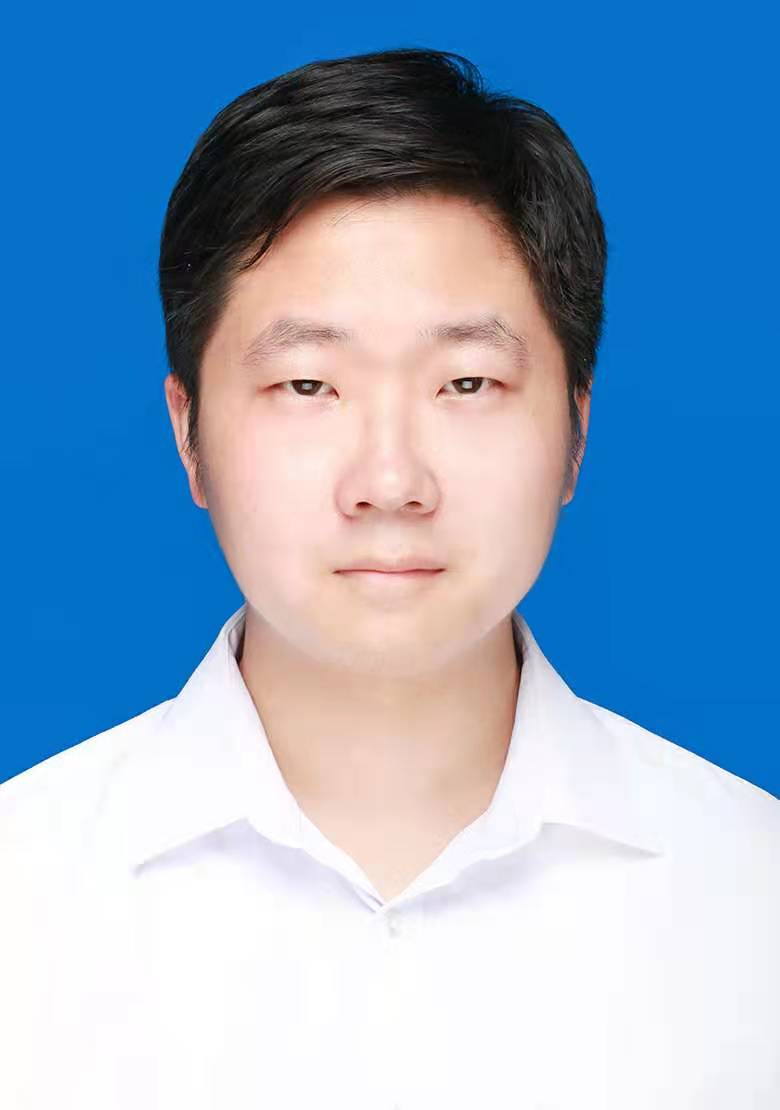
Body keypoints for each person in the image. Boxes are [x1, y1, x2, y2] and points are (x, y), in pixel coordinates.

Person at [1, 46, 777, 1110]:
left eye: (467, 382)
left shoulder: (751, 896)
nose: (391, 481)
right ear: (189, 436)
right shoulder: (24, 893)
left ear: (577, 430)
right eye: (307, 384)